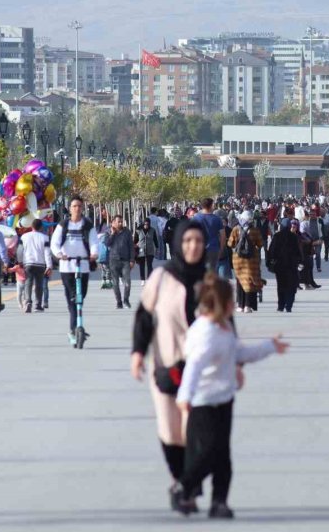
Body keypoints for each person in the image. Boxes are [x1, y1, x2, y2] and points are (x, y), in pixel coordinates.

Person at [172, 274, 289, 518]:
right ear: (220, 303)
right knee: (210, 451)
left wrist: (269, 347)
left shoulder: (222, 329)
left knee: (223, 457)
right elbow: (193, 366)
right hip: (203, 402)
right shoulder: (207, 334)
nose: (234, 306)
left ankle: (219, 502)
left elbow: (240, 353)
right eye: (231, 301)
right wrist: (185, 395)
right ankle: (184, 486)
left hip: (224, 400)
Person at [132, 220, 209, 511]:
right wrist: (138, 352)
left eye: (198, 241)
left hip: (200, 368)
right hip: (166, 363)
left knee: (194, 430)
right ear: (178, 243)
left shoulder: (209, 280)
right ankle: (181, 480)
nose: (193, 246)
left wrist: (235, 362)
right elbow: (143, 315)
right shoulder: (161, 278)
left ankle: (187, 485)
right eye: (187, 240)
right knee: (169, 431)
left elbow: (225, 323)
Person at [51, 196, 99, 345]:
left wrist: (94, 253)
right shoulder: (63, 225)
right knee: (72, 299)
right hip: (67, 267)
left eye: (79, 206)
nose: (77, 208)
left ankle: (76, 326)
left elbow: (94, 242)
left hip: (83, 266)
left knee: (80, 297)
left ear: (82, 208)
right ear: (70, 208)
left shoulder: (87, 225)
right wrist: (59, 254)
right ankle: (74, 328)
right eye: (74, 206)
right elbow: (55, 243)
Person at [227, 211, 264, 313]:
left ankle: (240, 305)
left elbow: (230, 243)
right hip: (251, 260)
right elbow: (260, 243)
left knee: (239, 282)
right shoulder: (254, 230)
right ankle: (248, 305)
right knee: (249, 282)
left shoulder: (236, 229)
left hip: (238, 260)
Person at [267, 218, 303, 312]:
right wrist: (300, 261)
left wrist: (269, 263)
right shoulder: (293, 237)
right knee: (291, 286)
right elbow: (298, 252)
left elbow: (271, 251)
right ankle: (289, 305)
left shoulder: (277, 236)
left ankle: (281, 305)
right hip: (291, 266)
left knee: (281, 286)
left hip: (280, 267)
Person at [20, 219, 52, 313]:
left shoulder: (24, 236)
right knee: (39, 284)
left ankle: (28, 302)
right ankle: (38, 305)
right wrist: (49, 266)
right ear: (41, 227)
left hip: (28, 263)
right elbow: (47, 252)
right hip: (40, 264)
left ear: (31, 226)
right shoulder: (45, 238)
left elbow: (19, 250)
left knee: (28, 283)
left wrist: (19, 261)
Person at [104, 214, 135, 309]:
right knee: (115, 283)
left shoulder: (127, 232)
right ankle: (119, 302)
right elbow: (107, 243)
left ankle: (126, 299)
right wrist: (113, 234)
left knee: (127, 282)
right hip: (113, 261)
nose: (121, 223)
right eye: (119, 222)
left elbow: (131, 246)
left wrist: (132, 260)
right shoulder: (108, 232)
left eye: (121, 221)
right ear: (113, 222)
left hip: (125, 261)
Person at [194, 198, 226, 271]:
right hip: (213, 249)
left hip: (199, 249)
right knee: (211, 272)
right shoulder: (217, 219)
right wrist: (221, 249)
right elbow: (223, 236)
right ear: (211, 205)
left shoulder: (196, 218)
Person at [135, 218, 158, 284]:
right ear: (143, 224)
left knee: (149, 265)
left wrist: (157, 248)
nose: (146, 225)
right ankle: (142, 279)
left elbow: (155, 240)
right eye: (145, 224)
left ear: (149, 224)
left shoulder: (152, 230)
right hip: (141, 250)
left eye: (147, 224)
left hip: (150, 250)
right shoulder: (138, 231)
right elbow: (135, 241)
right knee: (142, 265)